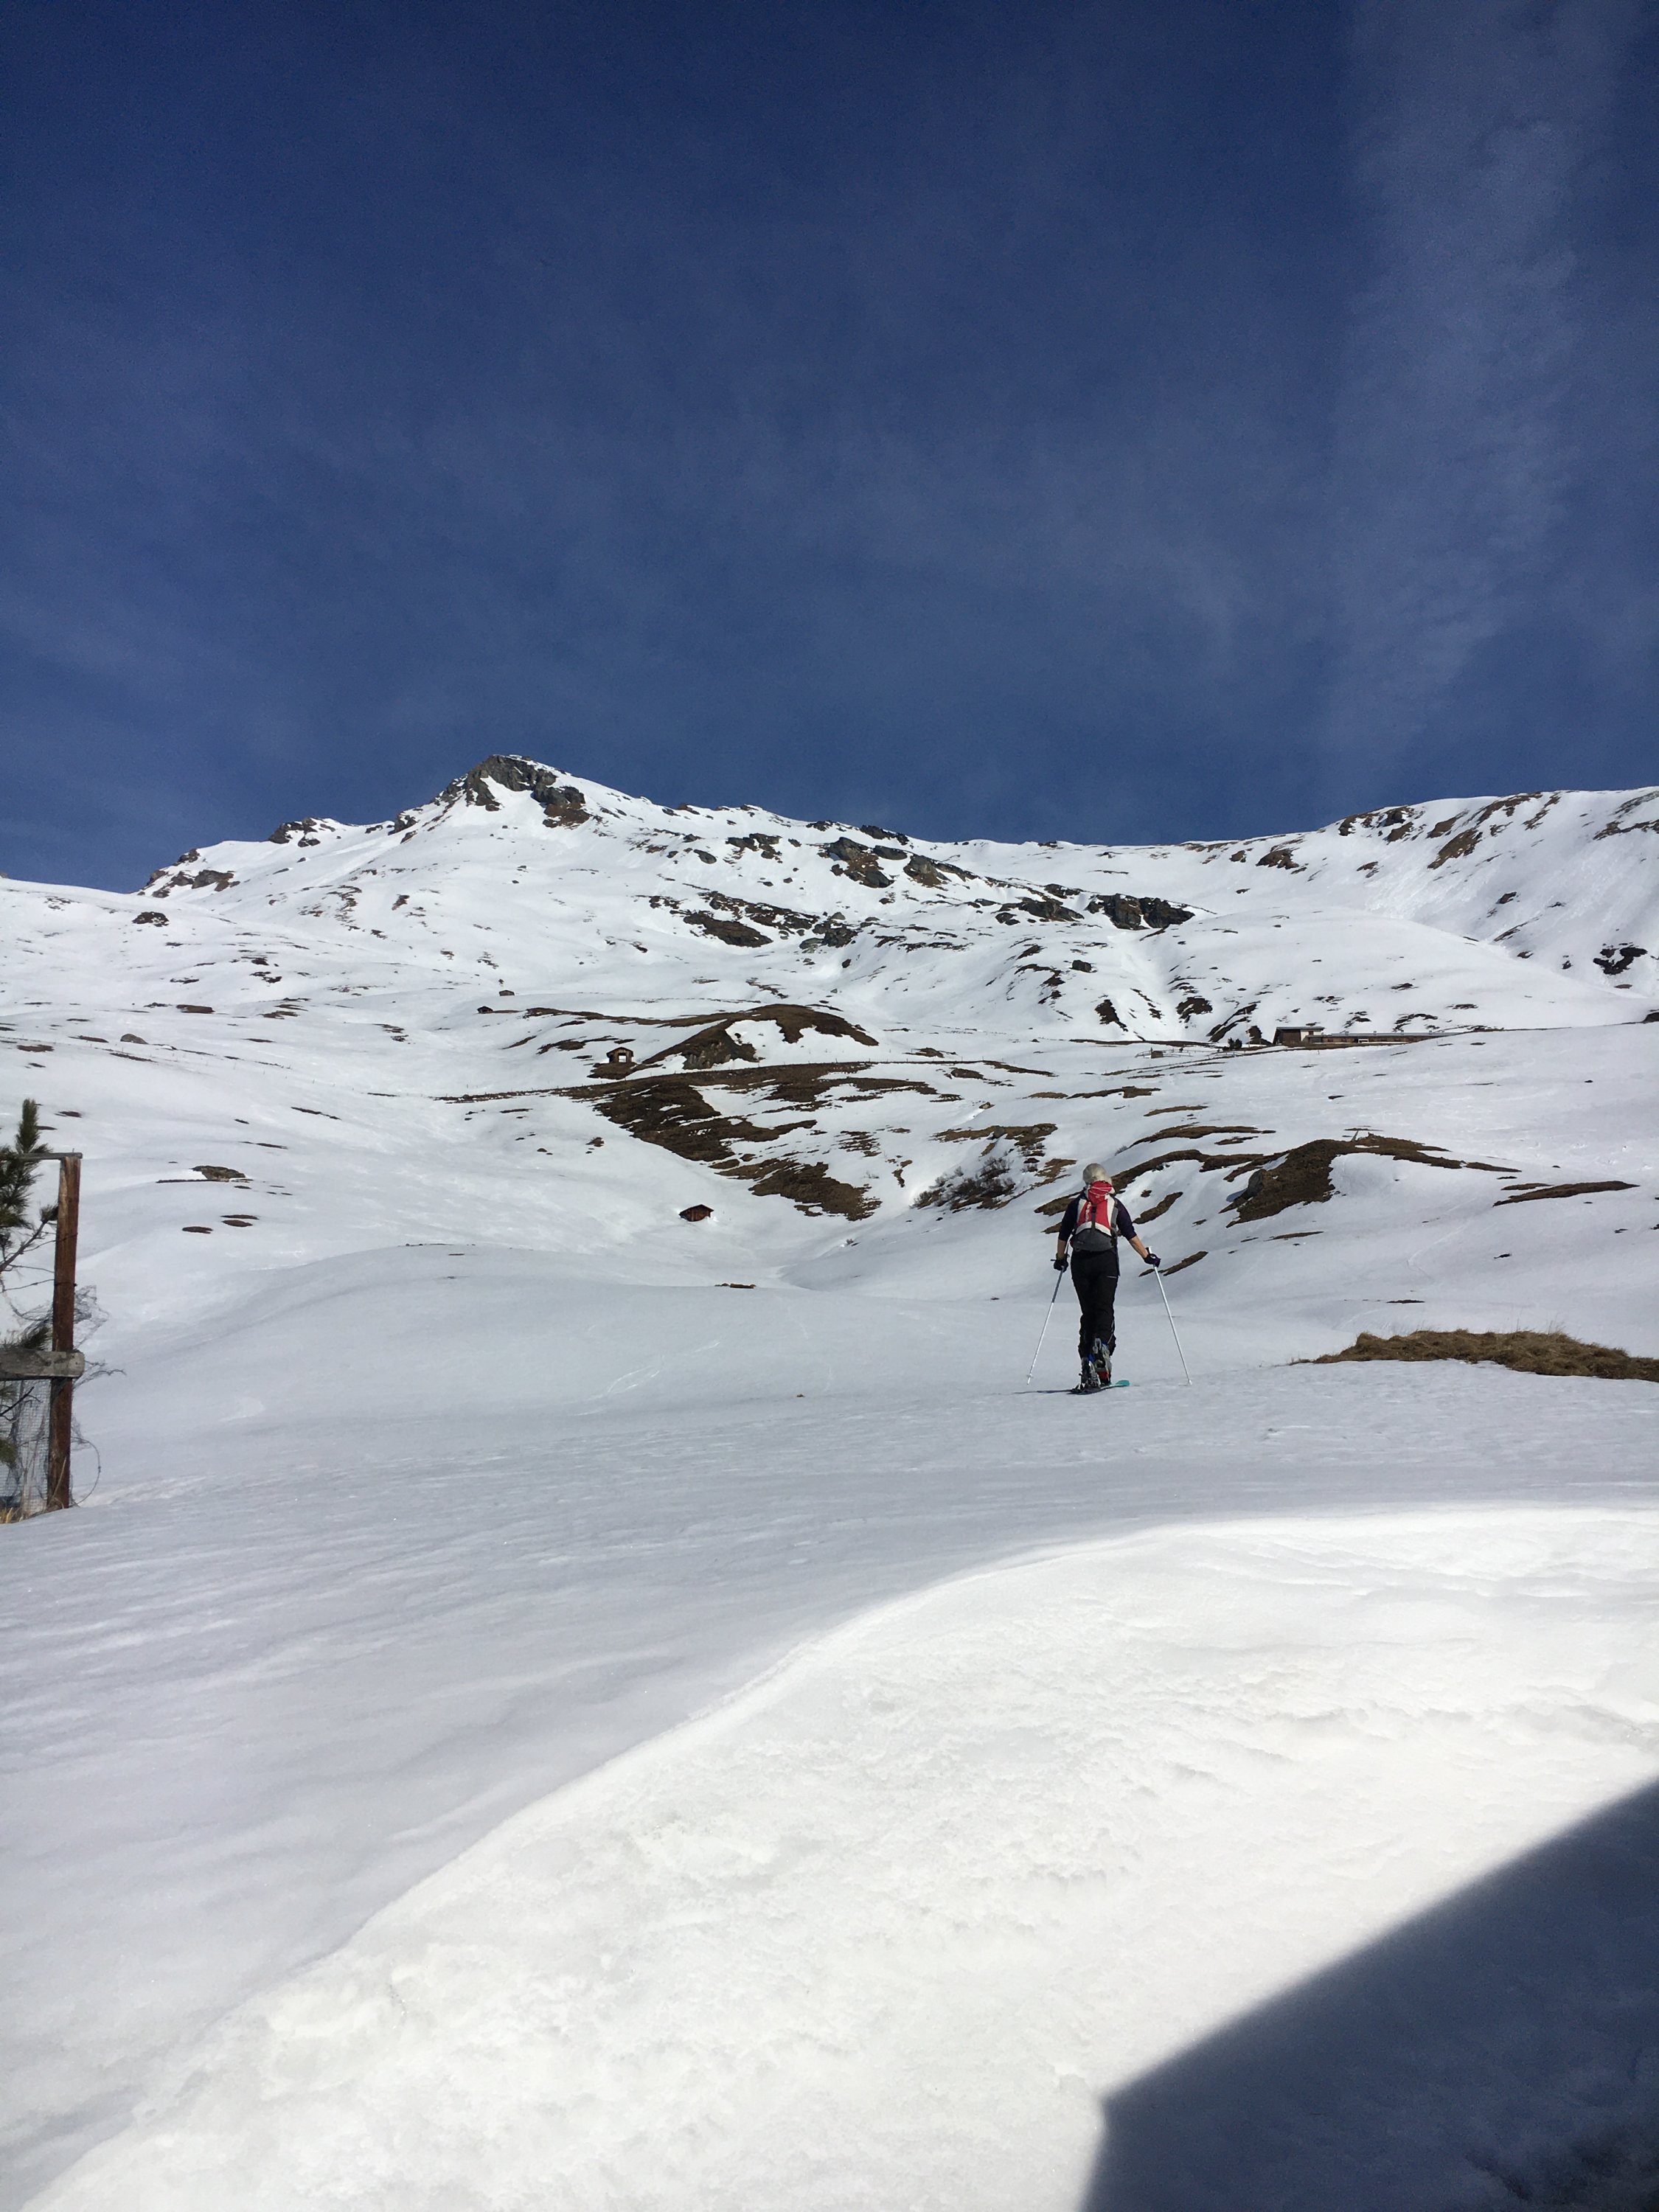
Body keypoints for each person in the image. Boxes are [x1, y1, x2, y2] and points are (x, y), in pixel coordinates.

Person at [1053, 1163, 1161, 1392]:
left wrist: (1060, 1259)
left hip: (1080, 1262)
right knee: (1104, 1309)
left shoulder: (1077, 1204)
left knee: (1088, 1312)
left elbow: (1063, 1233)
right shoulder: (1115, 1204)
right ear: (1106, 1180)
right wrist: (1146, 1256)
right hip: (1106, 1261)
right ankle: (1102, 1348)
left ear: (1086, 1181)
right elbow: (1130, 1234)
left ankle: (1087, 1360)